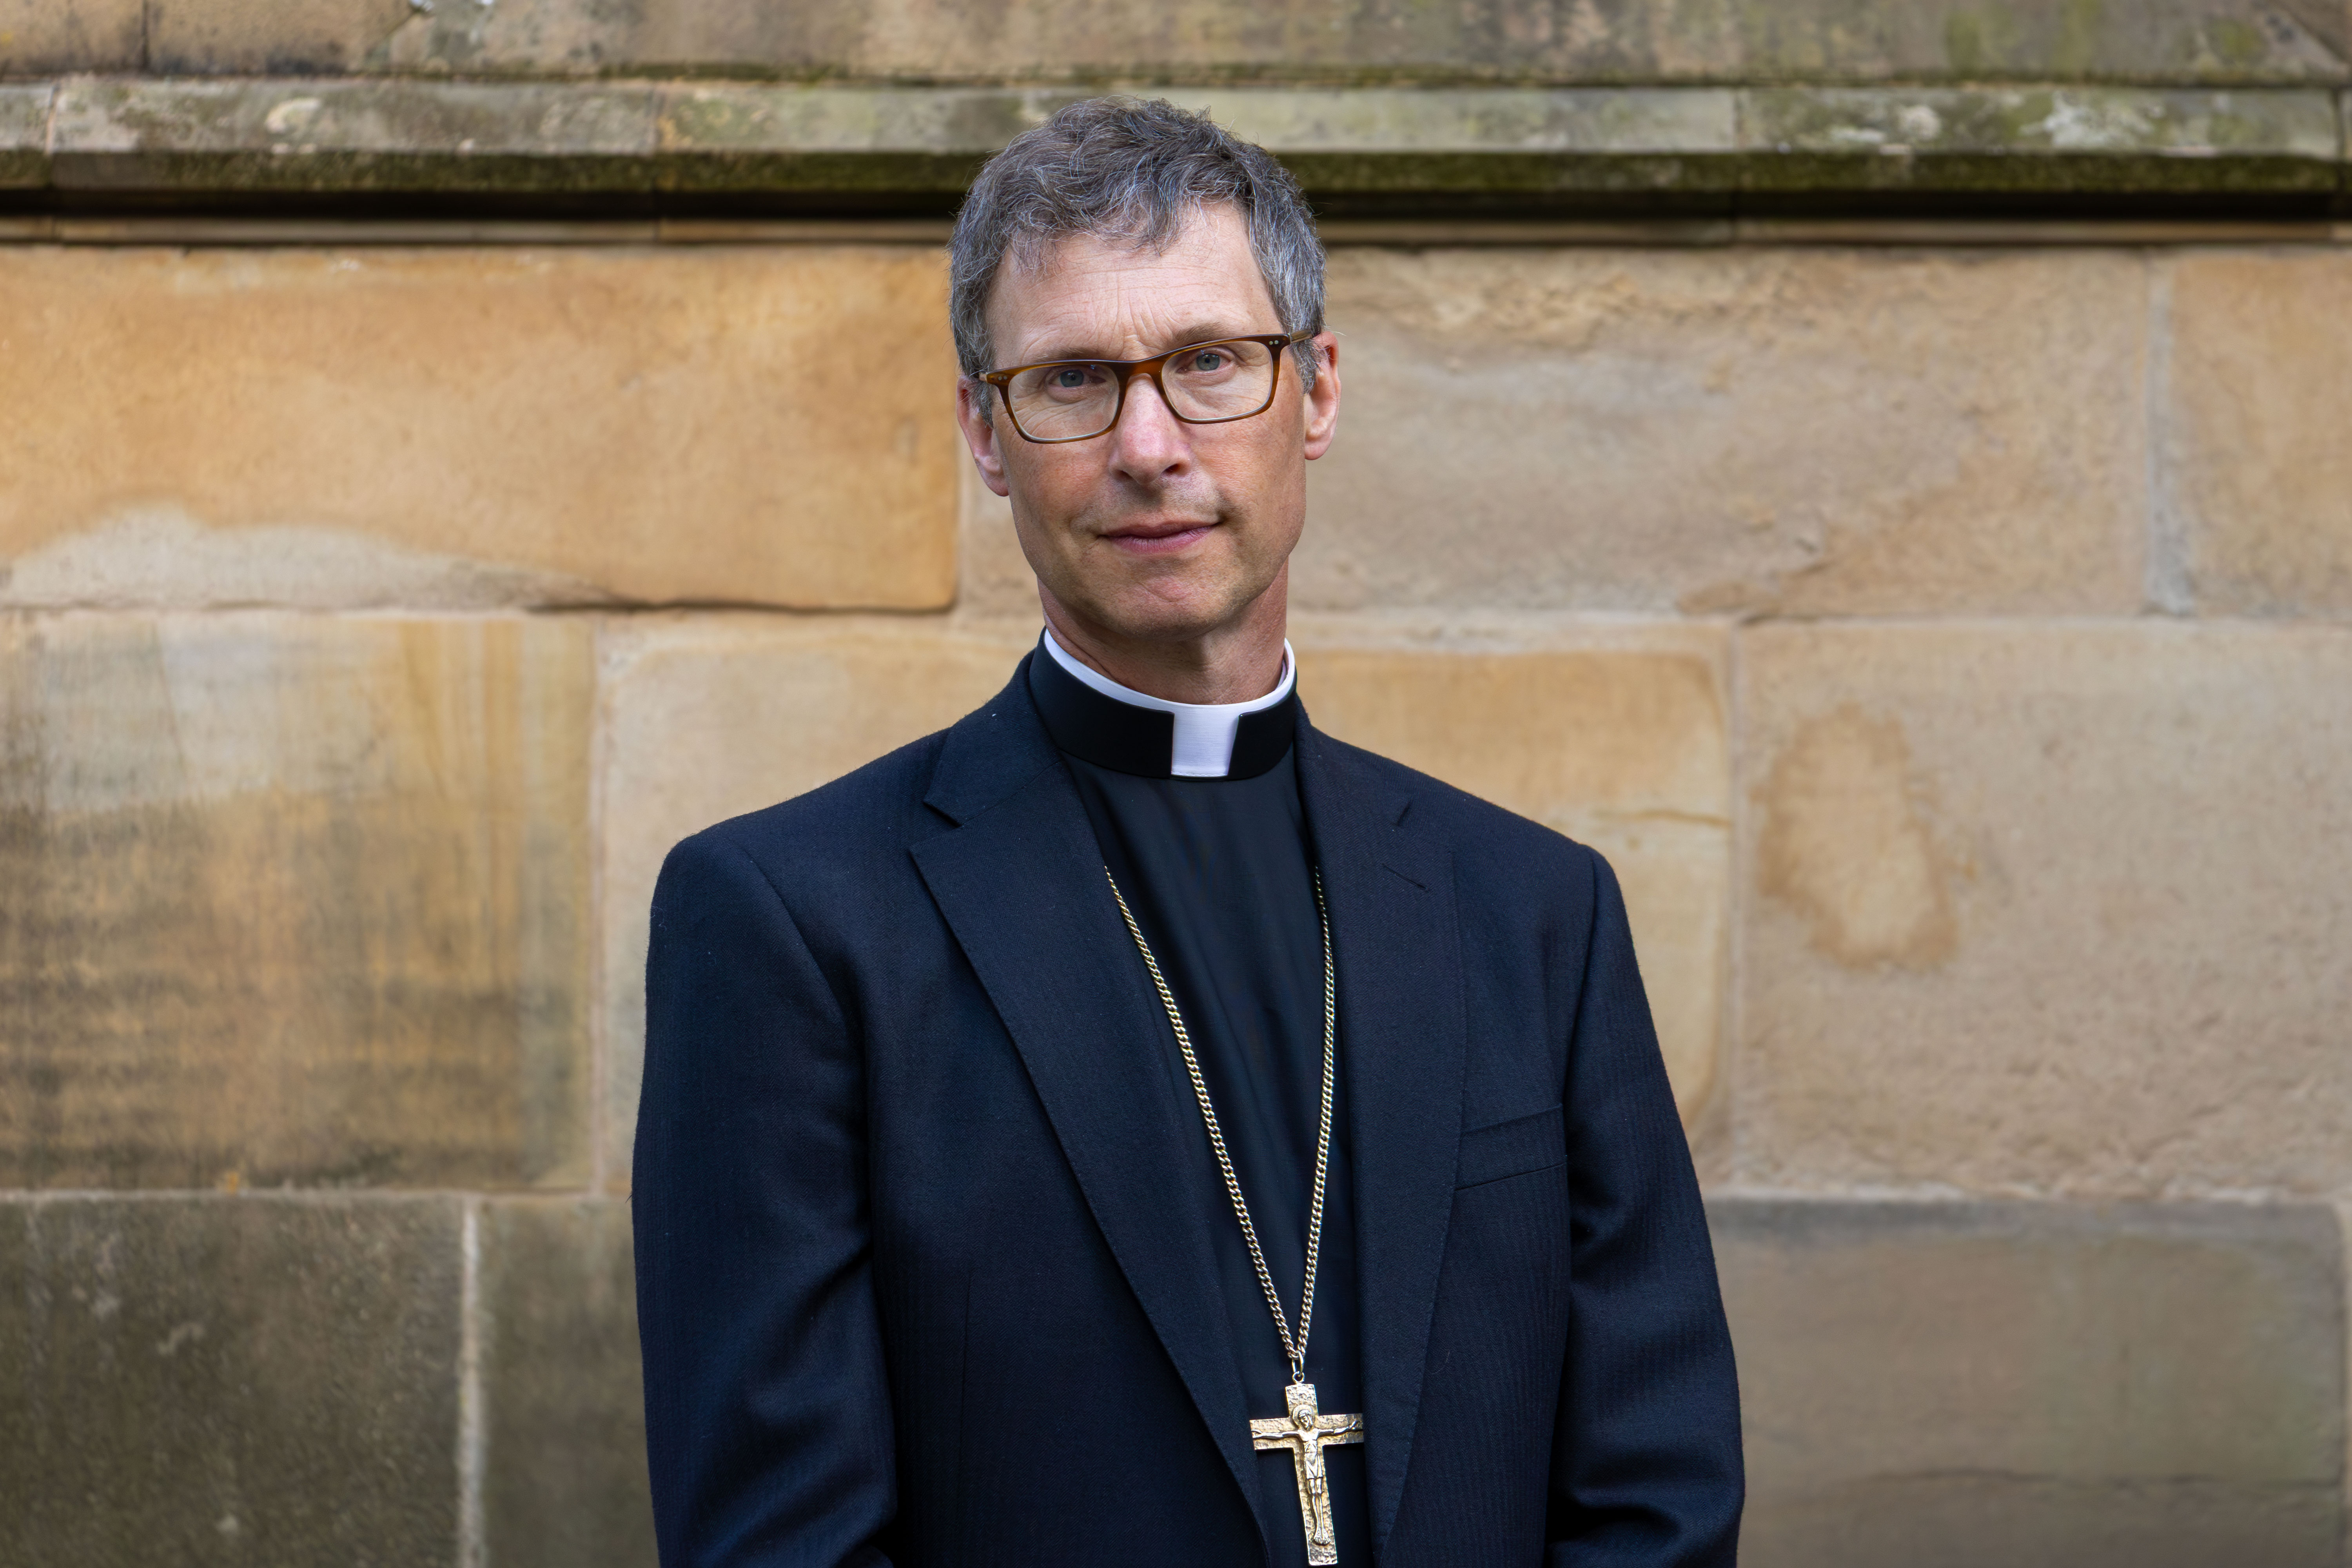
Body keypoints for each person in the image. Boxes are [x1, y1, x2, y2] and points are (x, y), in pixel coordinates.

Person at [633, 96, 1742, 1568]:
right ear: (984, 432)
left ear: (1317, 391)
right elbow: (782, 1541)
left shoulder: (1538, 911)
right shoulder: (794, 920)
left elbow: (1659, 1495)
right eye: (1073, 380)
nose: (1149, 445)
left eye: (1212, 362)